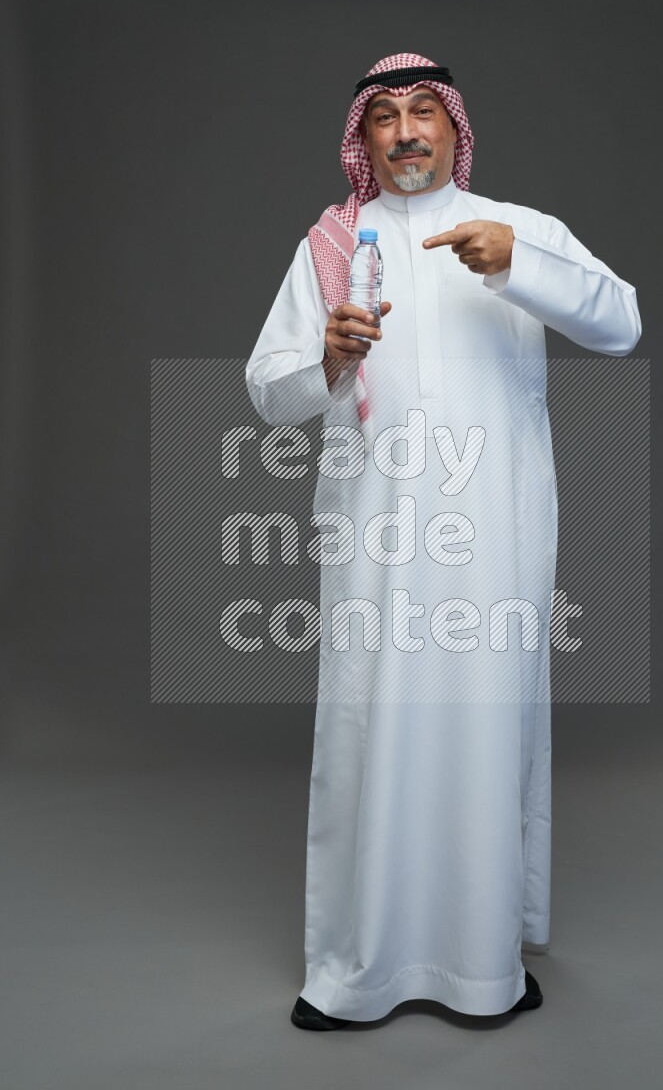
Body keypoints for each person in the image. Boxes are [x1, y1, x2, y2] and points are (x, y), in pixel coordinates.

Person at [245, 53, 642, 1030]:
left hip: (490, 543)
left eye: (424, 111)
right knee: (368, 735)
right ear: (362, 138)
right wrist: (324, 359)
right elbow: (267, 392)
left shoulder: (519, 229)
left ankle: (480, 967)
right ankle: (351, 971)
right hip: (373, 541)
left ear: (454, 128)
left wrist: (516, 263)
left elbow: (620, 322)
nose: (405, 131)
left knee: (478, 731)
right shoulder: (333, 247)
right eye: (383, 116)